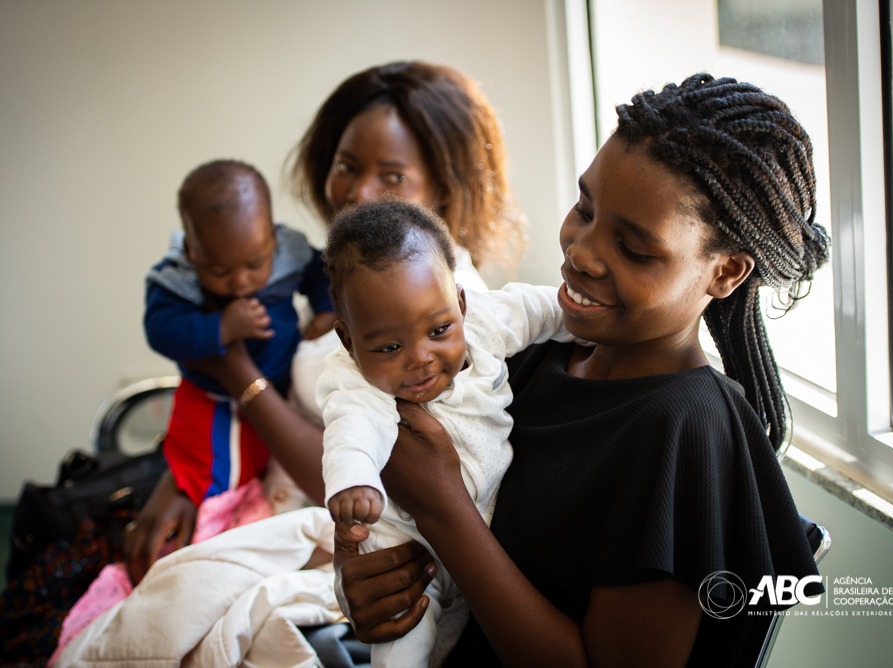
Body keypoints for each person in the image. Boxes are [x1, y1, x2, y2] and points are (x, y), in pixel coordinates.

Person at [331, 73, 832, 667]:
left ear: (724, 273)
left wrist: (442, 507)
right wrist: (365, 577)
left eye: (637, 249)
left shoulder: (683, 430)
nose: (581, 251)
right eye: (586, 208)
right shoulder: (530, 355)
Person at [123, 59, 526, 584]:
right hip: (249, 496)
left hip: (337, 551)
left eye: (393, 176)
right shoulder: (337, 277)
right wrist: (183, 482)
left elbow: (359, 477)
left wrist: (238, 374)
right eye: (347, 165)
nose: (358, 191)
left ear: (443, 188)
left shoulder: (446, 320)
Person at [318, 200, 571, 666]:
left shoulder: (483, 322)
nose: (420, 357)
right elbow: (349, 432)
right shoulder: (353, 381)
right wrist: (353, 482)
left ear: (460, 301)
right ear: (349, 341)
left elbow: (541, 310)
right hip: (409, 549)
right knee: (405, 640)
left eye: (438, 329)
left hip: (486, 528)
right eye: (390, 346)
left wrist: (585, 322)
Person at [144, 158, 334, 507]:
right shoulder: (176, 279)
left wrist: (326, 309)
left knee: (269, 460)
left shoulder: (287, 251)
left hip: (279, 386)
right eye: (219, 270)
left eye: (254, 264)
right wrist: (221, 327)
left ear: (272, 239)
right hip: (213, 397)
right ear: (191, 251)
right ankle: (217, 515)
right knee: (218, 475)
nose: (240, 281)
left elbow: (321, 274)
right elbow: (160, 330)